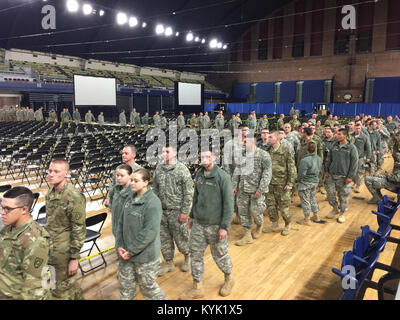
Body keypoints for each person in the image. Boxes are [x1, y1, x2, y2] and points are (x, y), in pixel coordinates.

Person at [179, 151, 234, 299]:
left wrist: (224, 226)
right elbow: (196, 197)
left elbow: (229, 204)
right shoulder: (199, 175)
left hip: (216, 225)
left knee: (220, 256)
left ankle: (229, 278)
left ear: (214, 158)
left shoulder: (222, 177)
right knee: (195, 254)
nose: (204, 160)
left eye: (207, 157)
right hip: (198, 224)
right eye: (202, 157)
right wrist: (191, 216)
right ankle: (197, 286)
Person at [116, 169, 166, 300]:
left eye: (136, 181)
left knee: (149, 290)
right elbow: (120, 223)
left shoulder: (153, 203)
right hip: (125, 255)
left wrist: (131, 251)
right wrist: (120, 245)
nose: (132, 183)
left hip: (144, 258)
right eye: (131, 180)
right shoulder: (129, 198)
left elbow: (149, 232)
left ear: (146, 182)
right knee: (125, 289)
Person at [0, 187, 51, 300]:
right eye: (2, 207)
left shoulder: (37, 241)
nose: (2, 213)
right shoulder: (8, 227)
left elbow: (34, 290)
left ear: (24, 209)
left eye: (7, 209)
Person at [45, 159, 86, 300]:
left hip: (64, 250)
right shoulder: (51, 191)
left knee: (61, 290)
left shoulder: (73, 197)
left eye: (56, 171)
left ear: (66, 174)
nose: (51, 174)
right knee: (60, 285)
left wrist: (74, 258)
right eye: (50, 171)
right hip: (51, 247)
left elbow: (79, 228)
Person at [153, 145, 193, 277]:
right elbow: (155, 189)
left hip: (177, 211)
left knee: (181, 237)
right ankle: (169, 262)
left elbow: (188, 193)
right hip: (162, 211)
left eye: (167, 151)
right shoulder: (159, 169)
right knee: (164, 239)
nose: (164, 154)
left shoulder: (182, 170)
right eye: (163, 151)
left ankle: (187, 256)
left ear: (175, 153)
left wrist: (185, 212)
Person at [232, 135, 272, 245]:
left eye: (245, 142)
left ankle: (259, 225)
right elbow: (237, 172)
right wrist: (234, 186)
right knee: (243, 212)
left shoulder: (264, 155)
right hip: (243, 189)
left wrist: (261, 189)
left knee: (256, 211)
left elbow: (267, 174)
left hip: (256, 191)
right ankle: (247, 235)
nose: (243, 144)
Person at [263, 131, 297, 236]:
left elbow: (292, 167)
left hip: (282, 185)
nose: (268, 139)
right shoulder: (268, 151)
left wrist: (290, 183)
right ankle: (274, 224)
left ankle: (287, 224)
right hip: (270, 184)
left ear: (277, 138)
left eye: (270, 137)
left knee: (284, 208)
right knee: (271, 206)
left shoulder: (285, 150)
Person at [324, 129, 358, 223]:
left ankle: (342, 213)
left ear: (345, 136)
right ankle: (335, 208)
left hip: (344, 177)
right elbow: (329, 159)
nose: (337, 136)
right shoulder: (333, 146)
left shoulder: (351, 148)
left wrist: (350, 176)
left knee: (343, 196)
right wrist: (326, 170)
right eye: (337, 134)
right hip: (331, 175)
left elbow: (354, 164)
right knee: (330, 194)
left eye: (339, 134)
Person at [296, 142, 322, 225]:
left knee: (305, 200)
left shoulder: (304, 160)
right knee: (312, 198)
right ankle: (316, 215)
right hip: (315, 181)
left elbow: (301, 174)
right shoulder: (319, 158)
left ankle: (307, 219)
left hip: (305, 182)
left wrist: (298, 180)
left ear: (306, 150)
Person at [350, 123, 371, 193]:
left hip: (360, 157)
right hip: (351, 157)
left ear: (361, 128)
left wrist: (368, 157)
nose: (357, 130)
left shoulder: (364, 137)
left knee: (359, 172)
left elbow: (368, 148)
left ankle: (358, 185)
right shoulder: (350, 136)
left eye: (359, 128)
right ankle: (354, 182)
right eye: (356, 128)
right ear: (354, 128)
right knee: (352, 171)